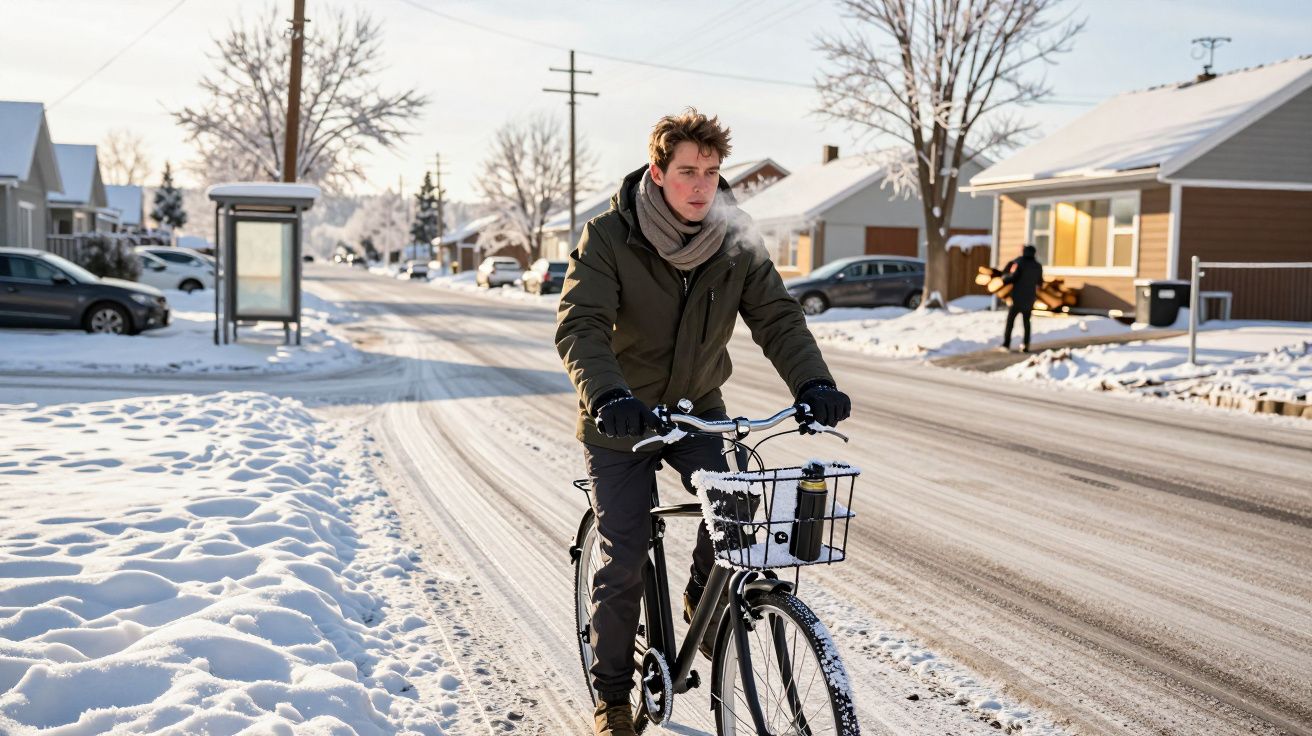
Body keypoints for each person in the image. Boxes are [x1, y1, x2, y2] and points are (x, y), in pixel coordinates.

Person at [555, 108, 852, 736]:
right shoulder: (611, 234)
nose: (701, 186)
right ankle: (612, 699)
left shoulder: (734, 238)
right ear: (658, 173)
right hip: (619, 415)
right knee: (626, 553)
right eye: (687, 171)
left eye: (712, 173)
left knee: (740, 515)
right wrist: (608, 395)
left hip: (697, 409)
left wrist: (813, 382)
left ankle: (702, 599)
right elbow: (581, 326)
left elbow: (776, 315)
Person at [1001, 243, 1044, 352]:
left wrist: (1004, 279)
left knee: (1010, 321)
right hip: (1030, 298)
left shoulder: (1020, 263)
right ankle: (1026, 344)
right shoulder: (1038, 266)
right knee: (1026, 322)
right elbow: (1040, 283)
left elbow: (1013, 278)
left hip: (1017, 298)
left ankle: (1006, 343)